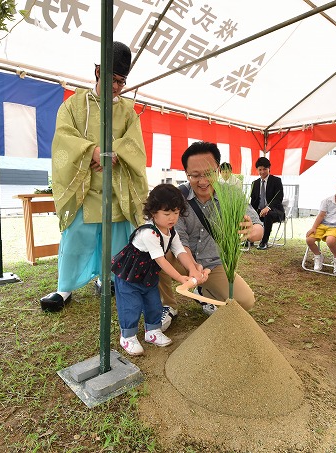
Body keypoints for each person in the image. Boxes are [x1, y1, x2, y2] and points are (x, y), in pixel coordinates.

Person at [40, 42, 148, 312]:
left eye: (121, 81)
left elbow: (135, 146)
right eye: (111, 78)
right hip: (83, 187)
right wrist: (92, 153)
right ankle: (64, 288)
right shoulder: (73, 106)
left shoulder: (128, 112)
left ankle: (107, 278)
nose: (116, 86)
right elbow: (63, 139)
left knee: (116, 240)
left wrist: (113, 157)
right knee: (76, 238)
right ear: (98, 71)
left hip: (115, 188)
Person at [158, 141, 264, 329]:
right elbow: (180, 241)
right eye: (195, 175)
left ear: (218, 170)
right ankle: (168, 304)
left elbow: (258, 228)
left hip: (214, 263)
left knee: (245, 302)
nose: (203, 181)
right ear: (186, 174)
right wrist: (192, 268)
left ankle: (204, 292)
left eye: (208, 173)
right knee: (156, 256)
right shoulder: (178, 197)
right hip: (181, 258)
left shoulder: (231, 195)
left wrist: (251, 231)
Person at [112, 184, 206, 356]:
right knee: (130, 306)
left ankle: (152, 331)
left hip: (147, 275)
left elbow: (180, 251)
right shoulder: (149, 233)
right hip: (130, 275)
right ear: (153, 212)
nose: (172, 218)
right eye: (167, 213)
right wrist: (180, 277)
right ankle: (128, 336)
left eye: (176, 213)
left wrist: (192, 269)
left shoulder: (172, 232)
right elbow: (161, 260)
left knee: (154, 302)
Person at [249, 157, 285, 250]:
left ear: (269, 168)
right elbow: (253, 201)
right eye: (260, 169)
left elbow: (278, 198)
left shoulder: (276, 181)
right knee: (249, 215)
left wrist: (268, 207)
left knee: (267, 214)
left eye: (265, 169)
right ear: (257, 170)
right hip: (259, 212)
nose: (262, 172)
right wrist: (251, 212)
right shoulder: (255, 183)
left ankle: (264, 242)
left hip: (275, 211)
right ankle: (250, 239)